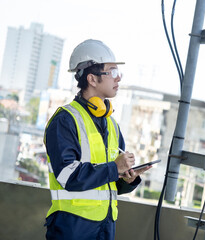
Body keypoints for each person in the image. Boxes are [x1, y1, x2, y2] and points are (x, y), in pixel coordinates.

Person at [44, 39, 150, 240]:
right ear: (92, 79)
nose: (118, 79)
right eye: (112, 72)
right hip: (72, 227)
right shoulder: (65, 120)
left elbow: (110, 182)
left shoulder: (112, 124)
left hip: (105, 226)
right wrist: (114, 168)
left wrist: (128, 178)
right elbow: (67, 176)